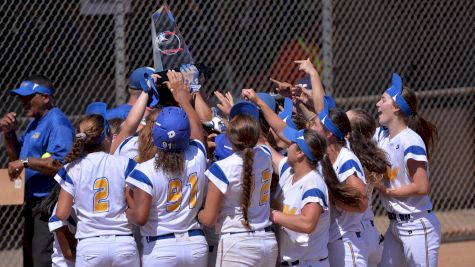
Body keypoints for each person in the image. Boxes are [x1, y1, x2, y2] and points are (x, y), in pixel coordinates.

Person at [124, 70, 208, 266]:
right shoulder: (196, 156)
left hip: (161, 247)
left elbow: (140, 217)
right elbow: (197, 131)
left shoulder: (145, 169)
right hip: (196, 244)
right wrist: (183, 99)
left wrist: (128, 204)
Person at [52, 102, 139, 267]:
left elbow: (61, 214)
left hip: (90, 245)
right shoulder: (124, 163)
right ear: (107, 136)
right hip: (122, 242)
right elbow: (133, 206)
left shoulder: (72, 168)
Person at [0, 75, 74, 267]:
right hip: (34, 203)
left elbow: (60, 163)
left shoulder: (56, 121)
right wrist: (9, 134)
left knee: (43, 260)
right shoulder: (35, 123)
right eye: (21, 97)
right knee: (31, 260)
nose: (22, 101)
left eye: (28, 96)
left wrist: (25, 162)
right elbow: (16, 160)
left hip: (50, 202)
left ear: (45, 97)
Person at [198, 101, 278, 267]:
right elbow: (258, 140)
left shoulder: (222, 168)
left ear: (230, 137)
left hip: (236, 243)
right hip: (267, 242)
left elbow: (209, 219)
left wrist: (198, 213)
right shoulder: (265, 154)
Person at [374, 73, 441, 267]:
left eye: (383, 100)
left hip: (418, 227)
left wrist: (387, 191)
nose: (377, 104)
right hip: (395, 226)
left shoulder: (410, 141)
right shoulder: (382, 136)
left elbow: (421, 186)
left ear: (396, 108)